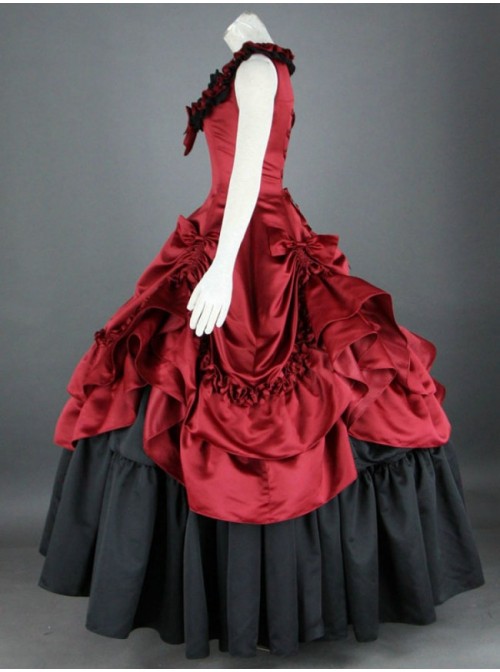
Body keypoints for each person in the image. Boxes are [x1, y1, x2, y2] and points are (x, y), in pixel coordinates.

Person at [38, 11, 485, 659]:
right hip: (230, 231)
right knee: (180, 389)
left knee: (281, 400)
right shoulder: (255, 63)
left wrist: (221, 269)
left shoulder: (257, 65)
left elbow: (248, 175)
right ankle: (237, 592)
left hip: (249, 243)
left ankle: (277, 595)